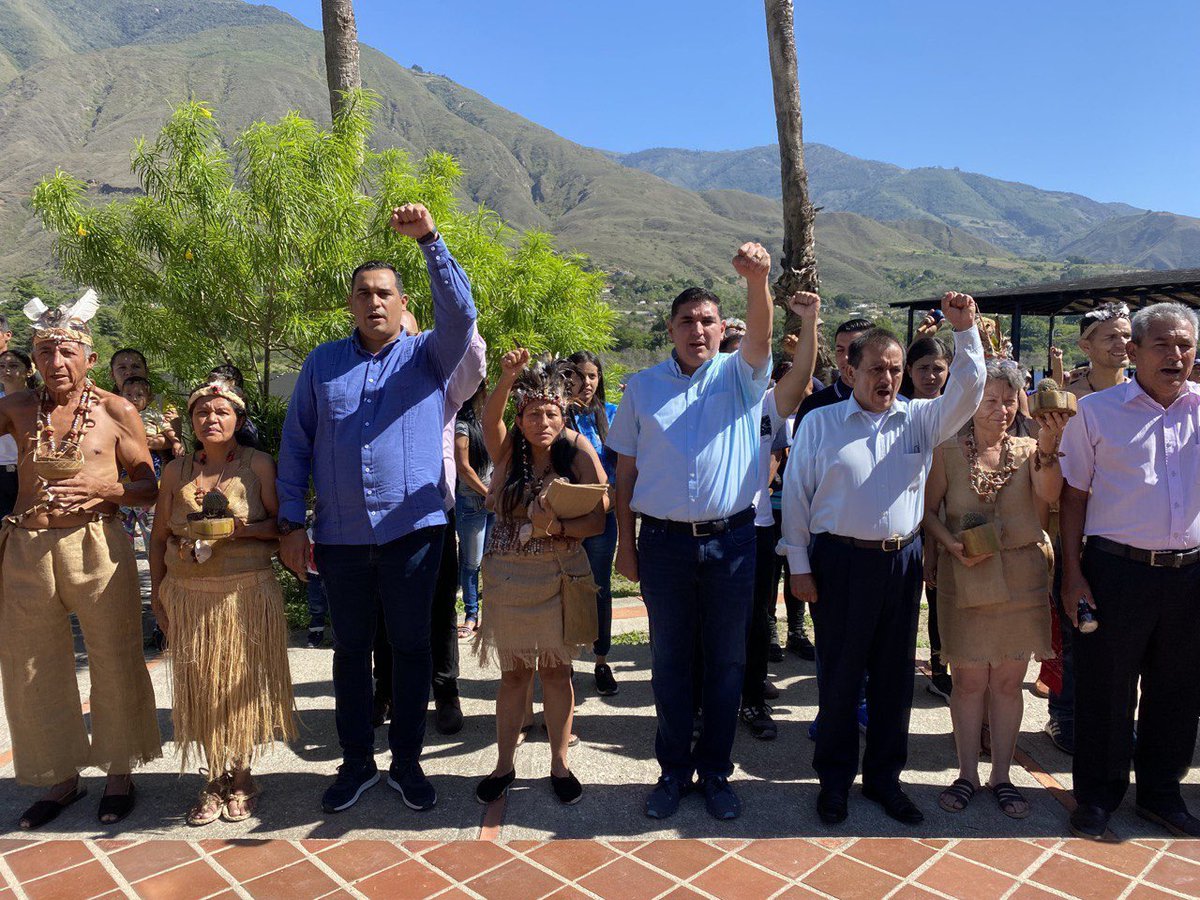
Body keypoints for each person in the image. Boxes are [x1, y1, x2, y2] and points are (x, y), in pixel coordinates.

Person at [277, 203, 476, 814]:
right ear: (350, 303)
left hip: (414, 534)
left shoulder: (429, 357)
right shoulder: (321, 363)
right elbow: (296, 442)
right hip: (340, 538)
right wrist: (290, 520)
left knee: (414, 649)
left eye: (384, 293)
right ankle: (357, 761)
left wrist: (431, 241)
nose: (373, 302)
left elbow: (462, 314)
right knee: (349, 651)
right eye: (363, 293)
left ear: (401, 300)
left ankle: (408, 762)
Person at [782, 292, 985, 826]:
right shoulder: (821, 424)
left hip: (901, 563)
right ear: (850, 370)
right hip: (839, 563)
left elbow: (968, 392)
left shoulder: (919, 420)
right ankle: (833, 783)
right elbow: (797, 498)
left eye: (896, 369)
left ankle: (883, 781)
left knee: (895, 681)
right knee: (841, 679)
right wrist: (798, 566)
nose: (888, 378)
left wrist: (966, 333)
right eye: (877, 368)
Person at [607, 242, 774, 821]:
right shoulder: (641, 387)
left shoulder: (741, 377)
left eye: (707, 321)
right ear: (671, 329)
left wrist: (758, 282)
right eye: (687, 321)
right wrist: (625, 546)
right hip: (663, 545)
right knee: (671, 661)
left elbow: (760, 336)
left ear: (719, 326)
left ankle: (717, 772)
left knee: (727, 663)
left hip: (731, 541)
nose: (697, 330)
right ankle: (674, 770)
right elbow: (624, 473)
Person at [0, 293, 161, 828]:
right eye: (45, 351)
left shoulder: (117, 410)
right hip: (26, 547)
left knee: (114, 656)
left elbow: (149, 487)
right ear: (32, 357)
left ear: (90, 358)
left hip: (97, 545)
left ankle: (118, 774)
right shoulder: (19, 407)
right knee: (31, 667)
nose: (56, 362)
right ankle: (59, 777)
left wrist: (107, 485)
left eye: (67, 350)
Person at [1059, 302, 1200, 840]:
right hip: (1116, 572)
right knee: (1106, 691)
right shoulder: (1096, 412)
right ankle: (1096, 797)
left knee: (1177, 691)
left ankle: (1162, 795)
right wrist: (1072, 575)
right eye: (1162, 344)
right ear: (1133, 351)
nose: (1175, 355)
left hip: (1189, 575)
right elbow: (1073, 498)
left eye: (1184, 345)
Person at [923, 359, 1067, 819]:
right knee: (968, 681)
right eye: (990, 400)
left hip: (1022, 576)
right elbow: (926, 512)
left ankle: (1001, 776)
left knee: (1007, 683)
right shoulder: (947, 450)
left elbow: (1048, 496)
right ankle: (966, 773)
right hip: (965, 574)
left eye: (1009, 400)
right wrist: (949, 546)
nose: (1001, 409)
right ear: (971, 402)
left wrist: (1049, 446)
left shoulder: (1030, 450)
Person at [149, 378, 295, 825]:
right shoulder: (176, 472)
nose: (211, 419)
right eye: (202, 413)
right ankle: (214, 777)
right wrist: (157, 596)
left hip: (245, 593)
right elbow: (158, 538)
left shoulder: (259, 465)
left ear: (238, 420)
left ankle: (244, 776)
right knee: (202, 688)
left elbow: (280, 526)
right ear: (192, 421)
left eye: (221, 412)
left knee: (240, 686)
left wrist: (238, 530)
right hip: (189, 596)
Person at [473, 351, 607, 806]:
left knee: (556, 670)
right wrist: (508, 379)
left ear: (563, 412)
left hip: (560, 574)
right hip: (509, 575)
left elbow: (599, 517)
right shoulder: (508, 449)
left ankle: (559, 764)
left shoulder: (578, 450)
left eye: (551, 412)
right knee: (514, 676)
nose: (542, 421)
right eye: (533, 413)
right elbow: (489, 420)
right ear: (521, 415)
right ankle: (504, 764)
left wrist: (559, 528)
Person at [366, 308, 486, 736]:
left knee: (437, 607)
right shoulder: (366, 382)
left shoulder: (442, 379)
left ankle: (446, 690)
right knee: (382, 609)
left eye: (410, 333)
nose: (401, 344)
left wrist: (459, 316)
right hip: (377, 512)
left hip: (434, 510)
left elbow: (472, 364)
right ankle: (386, 690)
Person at [1043, 302, 1134, 755]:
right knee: (1075, 629)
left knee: (1123, 640)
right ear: (1086, 345)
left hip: (1121, 532)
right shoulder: (1066, 400)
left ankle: (1118, 722)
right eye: (1109, 337)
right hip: (1070, 529)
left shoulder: (1145, 396)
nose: (1121, 344)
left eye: (1125, 335)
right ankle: (1064, 715)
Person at [740, 295, 820, 740]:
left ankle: (751, 700)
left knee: (754, 621)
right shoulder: (707, 401)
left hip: (756, 530)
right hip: (713, 531)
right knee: (711, 625)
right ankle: (703, 704)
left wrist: (809, 323)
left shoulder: (768, 403)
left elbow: (802, 376)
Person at [901, 336, 955, 701]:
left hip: (945, 518)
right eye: (923, 368)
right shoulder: (899, 412)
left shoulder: (959, 414)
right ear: (909, 371)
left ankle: (940, 668)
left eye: (938, 368)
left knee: (940, 598)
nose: (931, 375)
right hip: (905, 517)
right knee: (905, 600)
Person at [566, 349, 622, 696]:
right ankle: (565, 663)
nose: (586, 383)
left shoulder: (613, 415)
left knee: (600, 588)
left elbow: (623, 468)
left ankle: (601, 661)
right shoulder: (556, 416)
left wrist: (611, 499)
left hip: (604, 517)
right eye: (578, 376)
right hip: (565, 519)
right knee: (566, 589)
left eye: (592, 376)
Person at [455, 381, 493, 638]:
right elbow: (463, 468)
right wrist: (488, 493)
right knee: (472, 563)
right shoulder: (462, 426)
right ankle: (471, 615)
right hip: (472, 502)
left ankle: (491, 613)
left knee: (491, 560)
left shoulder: (482, 422)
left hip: (491, 502)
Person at [1067, 303, 1132, 399]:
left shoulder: (1144, 397)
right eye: (1111, 337)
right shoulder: (1069, 400)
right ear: (1086, 347)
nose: (1123, 343)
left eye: (1127, 336)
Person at [0, 350, 35, 518]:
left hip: (32, 472)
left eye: (13, 366)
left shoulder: (40, 401)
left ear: (29, 371)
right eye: (1, 366)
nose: (6, 370)